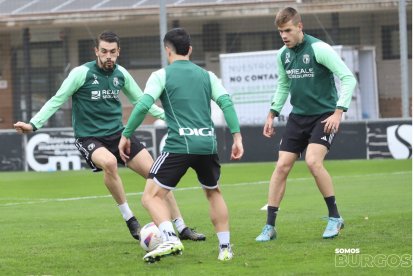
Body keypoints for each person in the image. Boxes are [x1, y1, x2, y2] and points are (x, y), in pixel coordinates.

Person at [13, 31, 205, 242]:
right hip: (89, 138)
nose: (108, 56)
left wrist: (171, 118)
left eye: (112, 52)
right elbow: (57, 99)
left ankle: (182, 227)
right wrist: (33, 124)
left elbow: (143, 102)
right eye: (104, 51)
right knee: (110, 162)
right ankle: (130, 218)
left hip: (119, 135)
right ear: (96, 51)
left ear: (118, 52)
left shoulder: (121, 74)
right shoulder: (81, 73)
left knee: (158, 176)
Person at [118, 28, 244, 262]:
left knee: (150, 197)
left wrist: (126, 134)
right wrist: (237, 136)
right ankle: (225, 249)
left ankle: (170, 239)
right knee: (213, 192)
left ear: (168, 50)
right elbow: (226, 103)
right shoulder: (207, 76)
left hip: (180, 145)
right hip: (207, 144)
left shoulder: (161, 75)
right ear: (190, 50)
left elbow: (144, 105)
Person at [255, 7, 357, 242]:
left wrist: (338, 112)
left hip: (324, 116)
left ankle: (334, 217)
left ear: (299, 27)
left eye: (288, 30)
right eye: (280, 31)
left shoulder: (319, 49)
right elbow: (283, 85)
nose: (284, 35)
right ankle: (269, 226)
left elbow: (348, 78)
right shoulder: (282, 55)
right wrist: (272, 113)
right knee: (281, 167)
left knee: (312, 161)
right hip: (297, 118)